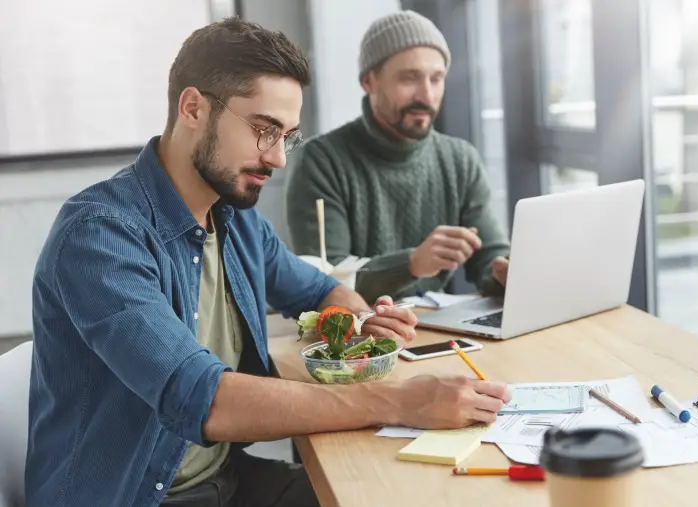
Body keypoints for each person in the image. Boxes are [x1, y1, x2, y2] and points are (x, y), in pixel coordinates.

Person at [25, 17, 511, 507]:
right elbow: (204, 399)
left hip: (223, 481)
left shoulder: (235, 221)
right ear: (193, 108)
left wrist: (360, 321)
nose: (278, 159)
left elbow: (319, 290)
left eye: (288, 136)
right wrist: (404, 401)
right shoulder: (100, 235)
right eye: (264, 129)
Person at [286, 11, 511, 305]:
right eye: (410, 78)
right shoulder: (321, 162)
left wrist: (503, 272)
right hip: (358, 339)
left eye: (437, 78)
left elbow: (489, 258)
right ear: (369, 81)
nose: (427, 95)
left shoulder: (460, 159)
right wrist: (412, 263)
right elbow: (321, 282)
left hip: (437, 327)